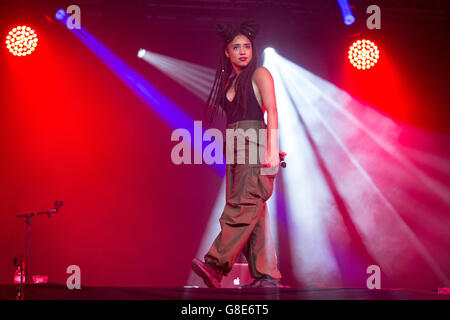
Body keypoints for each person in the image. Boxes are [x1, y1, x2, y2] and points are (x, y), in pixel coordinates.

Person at [192, 20, 287, 288]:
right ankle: (267, 273)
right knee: (254, 208)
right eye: (236, 47)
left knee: (244, 204)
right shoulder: (229, 80)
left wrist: (269, 148)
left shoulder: (260, 74)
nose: (243, 51)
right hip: (235, 144)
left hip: (254, 144)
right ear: (227, 52)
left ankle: (215, 265)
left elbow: (272, 110)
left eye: (247, 46)